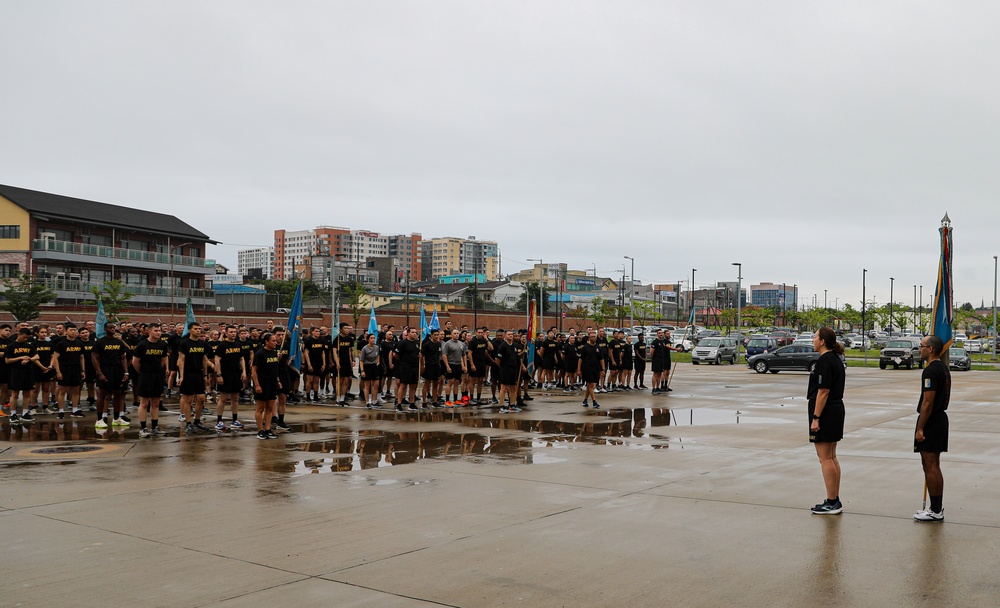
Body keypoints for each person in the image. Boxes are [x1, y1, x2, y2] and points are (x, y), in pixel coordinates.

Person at [808, 327, 846, 515]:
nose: (813, 340)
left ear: (822, 341)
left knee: (825, 458)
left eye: (815, 337)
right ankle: (834, 499)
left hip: (826, 412)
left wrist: (815, 418)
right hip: (835, 410)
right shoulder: (835, 359)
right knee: (831, 457)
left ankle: (832, 502)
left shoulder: (825, 360)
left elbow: (823, 391)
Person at [913, 334, 950, 522]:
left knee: (931, 465)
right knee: (933, 465)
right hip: (939, 419)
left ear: (931, 349)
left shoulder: (930, 371)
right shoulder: (942, 368)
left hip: (932, 421)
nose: (920, 349)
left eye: (922, 346)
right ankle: (936, 508)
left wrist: (920, 428)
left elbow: (927, 402)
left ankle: (936, 511)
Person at [132, 325, 168, 438]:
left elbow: (163, 359)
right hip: (145, 375)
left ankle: (155, 427)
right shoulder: (142, 345)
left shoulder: (162, 345)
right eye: (156, 331)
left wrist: (160, 370)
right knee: (144, 403)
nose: (158, 333)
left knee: (156, 402)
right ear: (149, 332)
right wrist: (143, 372)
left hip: (157, 375)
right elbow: (135, 362)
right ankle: (143, 428)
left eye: (160, 331)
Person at [92, 322, 130, 428]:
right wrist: (99, 373)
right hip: (104, 369)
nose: (113, 329)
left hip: (117, 370)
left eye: (114, 327)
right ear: (105, 329)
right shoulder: (100, 343)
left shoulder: (119, 342)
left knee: (117, 394)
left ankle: (117, 418)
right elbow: (95, 358)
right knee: (102, 395)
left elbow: (123, 358)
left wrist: (126, 372)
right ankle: (99, 419)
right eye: (110, 328)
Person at [177, 322, 211, 434]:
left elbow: (204, 360)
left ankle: (197, 421)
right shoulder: (185, 343)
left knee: (201, 398)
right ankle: (188, 423)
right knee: (188, 399)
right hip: (188, 373)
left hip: (199, 373)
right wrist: (181, 376)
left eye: (199, 329)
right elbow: (181, 360)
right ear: (190, 330)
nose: (198, 330)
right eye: (196, 329)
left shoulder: (203, 344)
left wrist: (206, 375)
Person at [51, 322, 86, 419]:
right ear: (66, 331)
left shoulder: (79, 343)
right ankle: (61, 411)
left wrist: (82, 370)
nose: (73, 332)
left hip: (76, 369)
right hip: (64, 369)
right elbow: (55, 358)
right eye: (71, 330)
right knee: (63, 390)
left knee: (76, 390)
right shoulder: (61, 344)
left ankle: (75, 410)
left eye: (75, 330)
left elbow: (82, 357)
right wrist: (58, 371)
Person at [252, 332, 280, 439]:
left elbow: (274, 369)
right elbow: (254, 370)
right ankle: (260, 430)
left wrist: (278, 381)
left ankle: (268, 429)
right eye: (273, 341)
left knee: (270, 408)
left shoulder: (274, 352)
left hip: (272, 383)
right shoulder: (260, 354)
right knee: (260, 408)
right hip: (262, 383)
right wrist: (257, 385)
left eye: (275, 341)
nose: (275, 343)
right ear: (266, 342)